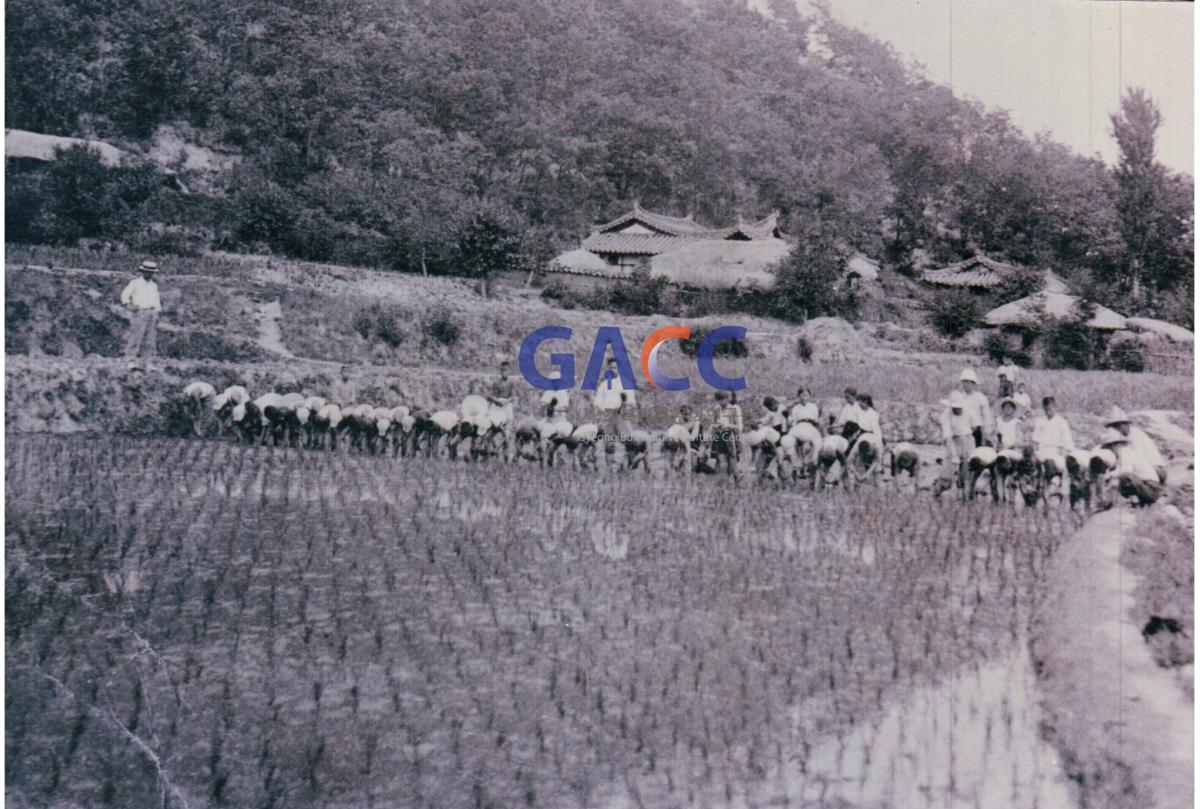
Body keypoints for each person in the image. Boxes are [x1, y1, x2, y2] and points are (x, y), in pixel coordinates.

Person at [1100, 425, 1166, 507]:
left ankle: (1139, 501)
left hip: (1152, 489)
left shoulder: (1124, 452)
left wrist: (1109, 475)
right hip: (1148, 487)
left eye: (1110, 447)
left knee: (1124, 477)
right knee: (1119, 480)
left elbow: (1126, 470)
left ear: (1115, 445)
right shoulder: (1122, 455)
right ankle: (1137, 501)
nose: (1110, 450)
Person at [1104, 405, 1167, 485]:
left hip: (1157, 471)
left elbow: (1136, 461)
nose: (1116, 429)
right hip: (1149, 471)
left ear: (1124, 424)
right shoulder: (1125, 438)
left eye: (1117, 426)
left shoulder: (1135, 436)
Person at [121, 260, 162, 358]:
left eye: (152, 272)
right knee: (136, 336)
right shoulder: (135, 283)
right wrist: (129, 305)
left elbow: (156, 300)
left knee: (150, 339)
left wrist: (157, 312)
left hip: (152, 312)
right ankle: (130, 360)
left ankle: (146, 362)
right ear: (143, 272)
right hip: (140, 312)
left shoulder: (153, 285)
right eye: (148, 272)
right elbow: (124, 295)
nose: (150, 274)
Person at [940, 390, 974, 497]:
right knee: (949, 469)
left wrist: (967, 440)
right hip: (953, 441)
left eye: (959, 408)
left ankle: (964, 494)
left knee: (965, 469)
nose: (957, 410)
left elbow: (973, 427)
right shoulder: (946, 415)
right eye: (955, 408)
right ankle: (942, 489)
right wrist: (954, 455)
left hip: (967, 440)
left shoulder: (969, 411)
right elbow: (948, 437)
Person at [958, 369, 993, 447]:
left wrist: (987, 431)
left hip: (976, 429)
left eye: (968, 382)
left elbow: (986, 415)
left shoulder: (980, 397)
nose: (966, 385)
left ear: (973, 384)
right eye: (964, 382)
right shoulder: (960, 397)